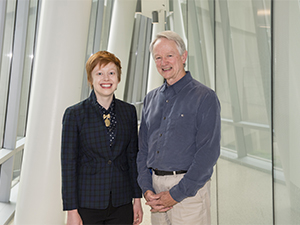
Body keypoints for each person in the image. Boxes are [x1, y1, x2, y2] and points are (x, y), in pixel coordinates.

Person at [137, 30, 221, 225]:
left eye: (169, 55)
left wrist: (176, 194)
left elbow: (208, 154)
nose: (163, 62)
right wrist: (147, 188)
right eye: (158, 57)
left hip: (189, 192)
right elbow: (142, 150)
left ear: (183, 57)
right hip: (155, 192)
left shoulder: (205, 97)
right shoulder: (150, 99)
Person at [61, 51, 143, 225]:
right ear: (91, 79)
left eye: (111, 73)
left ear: (118, 78)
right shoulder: (75, 114)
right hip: (87, 203)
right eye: (99, 73)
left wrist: (137, 199)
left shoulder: (128, 112)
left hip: (122, 202)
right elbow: (68, 166)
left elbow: (132, 158)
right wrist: (71, 211)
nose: (106, 78)